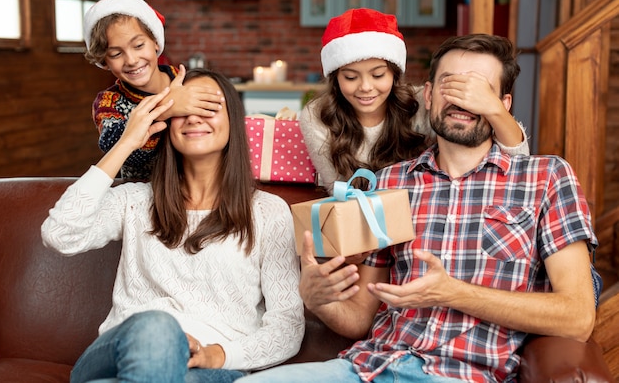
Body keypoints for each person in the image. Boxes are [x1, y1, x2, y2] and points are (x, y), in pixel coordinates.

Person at [236, 34, 599, 382]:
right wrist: (318, 300)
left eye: (478, 89)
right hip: (366, 368)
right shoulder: (391, 183)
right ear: (427, 96)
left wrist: (452, 292)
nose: (462, 100)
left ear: (503, 104)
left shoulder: (546, 177)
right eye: (451, 86)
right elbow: (360, 317)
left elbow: (578, 316)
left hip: (460, 374)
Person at [41, 68, 304, 383]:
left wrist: (219, 354)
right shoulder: (135, 201)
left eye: (208, 107)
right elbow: (60, 234)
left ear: (234, 121)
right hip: (123, 347)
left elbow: (286, 325)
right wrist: (127, 141)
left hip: (208, 368)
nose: (194, 118)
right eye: (182, 110)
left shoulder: (267, 212)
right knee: (158, 327)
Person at [300, 8, 529, 194]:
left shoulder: (422, 101)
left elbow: (518, 160)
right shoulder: (316, 117)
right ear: (336, 78)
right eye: (350, 77)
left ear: (394, 74)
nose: (366, 87)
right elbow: (339, 193)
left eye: (378, 75)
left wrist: (493, 107)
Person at [84, 0, 224, 179]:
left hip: (197, 192)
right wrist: (166, 109)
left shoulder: (191, 83)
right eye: (116, 54)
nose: (132, 60)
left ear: (156, 42)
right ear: (104, 61)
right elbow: (117, 149)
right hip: (141, 197)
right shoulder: (109, 103)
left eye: (139, 45)